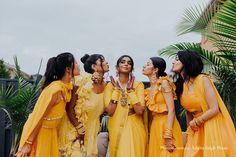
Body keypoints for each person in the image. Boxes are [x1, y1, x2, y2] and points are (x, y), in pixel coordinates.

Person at [172, 50, 236, 157]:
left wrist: (197, 122)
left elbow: (214, 108)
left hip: (212, 124)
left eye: (177, 59)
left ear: (187, 62)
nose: (173, 62)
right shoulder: (181, 85)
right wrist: (189, 132)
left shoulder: (202, 79)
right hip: (196, 129)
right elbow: (188, 112)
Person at [17, 52, 80, 157]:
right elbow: (39, 117)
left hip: (52, 133)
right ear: (68, 69)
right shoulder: (55, 90)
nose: (79, 65)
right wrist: (28, 143)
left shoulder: (67, 87)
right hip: (41, 134)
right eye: (76, 63)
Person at [58, 54, 109, 157]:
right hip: (75, 130)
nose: (106, 62)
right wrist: (79, 128)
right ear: (94, 67)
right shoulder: (82, 81)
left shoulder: (107, 86)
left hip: (92, 132)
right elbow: (69, 108)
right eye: (102, 60)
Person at [104, 55, 147, 157]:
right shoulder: (110, 86)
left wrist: (131, 92)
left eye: (129, 63)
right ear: (117, 67)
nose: (126, 64)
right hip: (116, 127)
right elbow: (110, 111)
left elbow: (139, 111)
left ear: (131, 68)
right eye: (123, 62)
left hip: (134, 127)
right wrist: (116, 91)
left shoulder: (138, 85)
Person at [142, 57, 183, 157]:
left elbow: (172, 109)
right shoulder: (147, 91)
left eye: (148, 64)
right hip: (155, 128)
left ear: (155, 69)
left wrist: (168, 135)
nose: (144, 66)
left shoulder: (163, 83)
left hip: (168, 125)